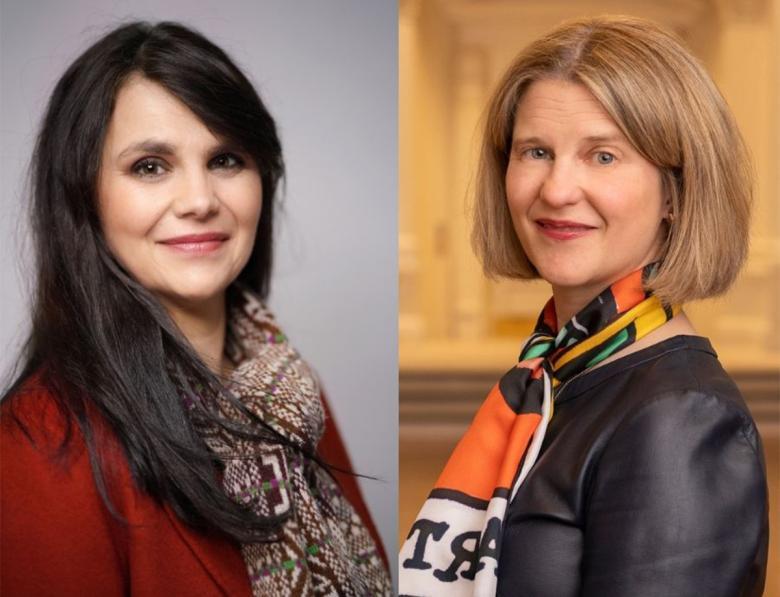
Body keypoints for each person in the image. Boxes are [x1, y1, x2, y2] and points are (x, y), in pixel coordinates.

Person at [0, 21, 392, 596]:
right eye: (150, 166)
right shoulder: (39, 442)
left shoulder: (291, 394)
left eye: (225, 159)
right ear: (83, 195)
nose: (200, 200)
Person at [400, 16, 768, 597]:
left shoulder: (681, 417)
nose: (556, 190)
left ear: (674, 192)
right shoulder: (556, 377)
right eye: (536, 151)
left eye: (603, 156)